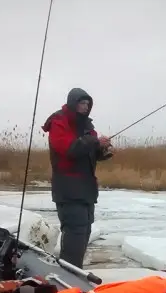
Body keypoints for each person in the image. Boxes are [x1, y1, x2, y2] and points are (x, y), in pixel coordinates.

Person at [41, 87, 114, 268]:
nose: (85, 107)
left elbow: (89, 153)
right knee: (75, 235)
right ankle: (68, 280)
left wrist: (102, 150)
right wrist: (93, 141)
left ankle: (74, 276)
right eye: (82, 103)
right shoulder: (59, 122)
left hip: (86, 191)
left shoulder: (87, 126)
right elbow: (69, 149)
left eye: (87, 104)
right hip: (68, 189)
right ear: (73, 103)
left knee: (84, 233)